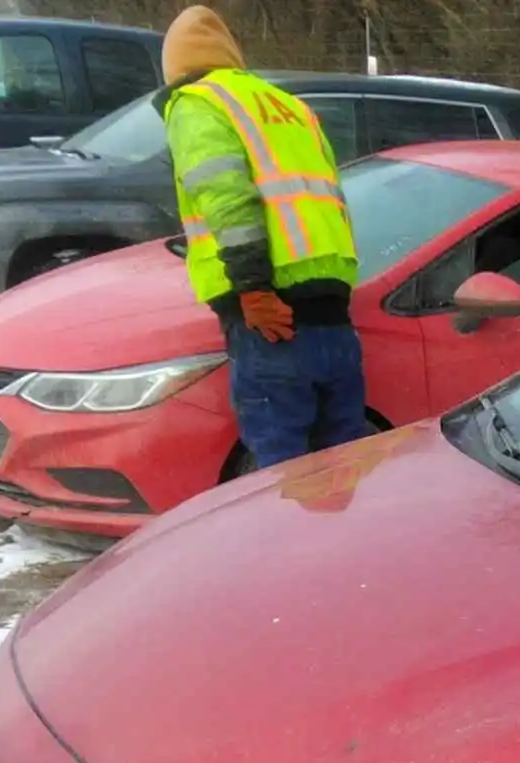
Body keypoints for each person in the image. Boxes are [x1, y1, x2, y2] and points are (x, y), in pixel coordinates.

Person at [159, 6, 368, 471]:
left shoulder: (197, 103)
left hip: (271, 318)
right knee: (345, 468)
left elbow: (227, 199)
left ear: (175, 70)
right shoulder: (288, 106)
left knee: (280, 480)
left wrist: (252, 288)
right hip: (334, 318)